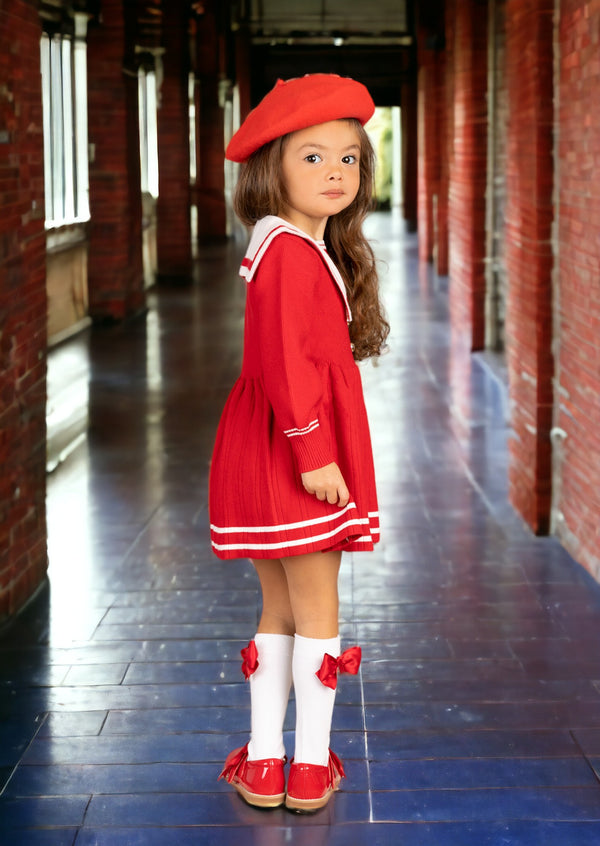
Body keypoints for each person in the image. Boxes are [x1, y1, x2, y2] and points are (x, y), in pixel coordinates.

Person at [209, 73, 389, 813]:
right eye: (312, 158)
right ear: (271, 168)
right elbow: (286, 362)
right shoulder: (287, 253)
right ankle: (308, 767)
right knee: (319, 609)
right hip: (295, 450)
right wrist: (316, 452)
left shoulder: (292, 243)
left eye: (348, 158)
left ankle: (263, 761)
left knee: (281, 607)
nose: (335, 173)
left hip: (267, 444)